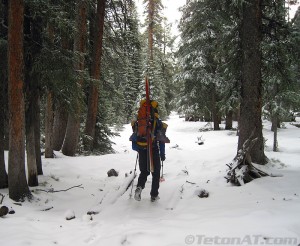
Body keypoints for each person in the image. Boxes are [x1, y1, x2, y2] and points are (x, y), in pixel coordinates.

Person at [130, 99, 170, 202]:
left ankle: (139, 188)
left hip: (142, 150)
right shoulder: (157, 122)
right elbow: (161, 140)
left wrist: (139, 149)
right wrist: (162, 154)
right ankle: (154, 195)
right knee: (156, 173)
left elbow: (134, 144)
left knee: (144, 172)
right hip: (153, 149)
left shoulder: (139, 122)